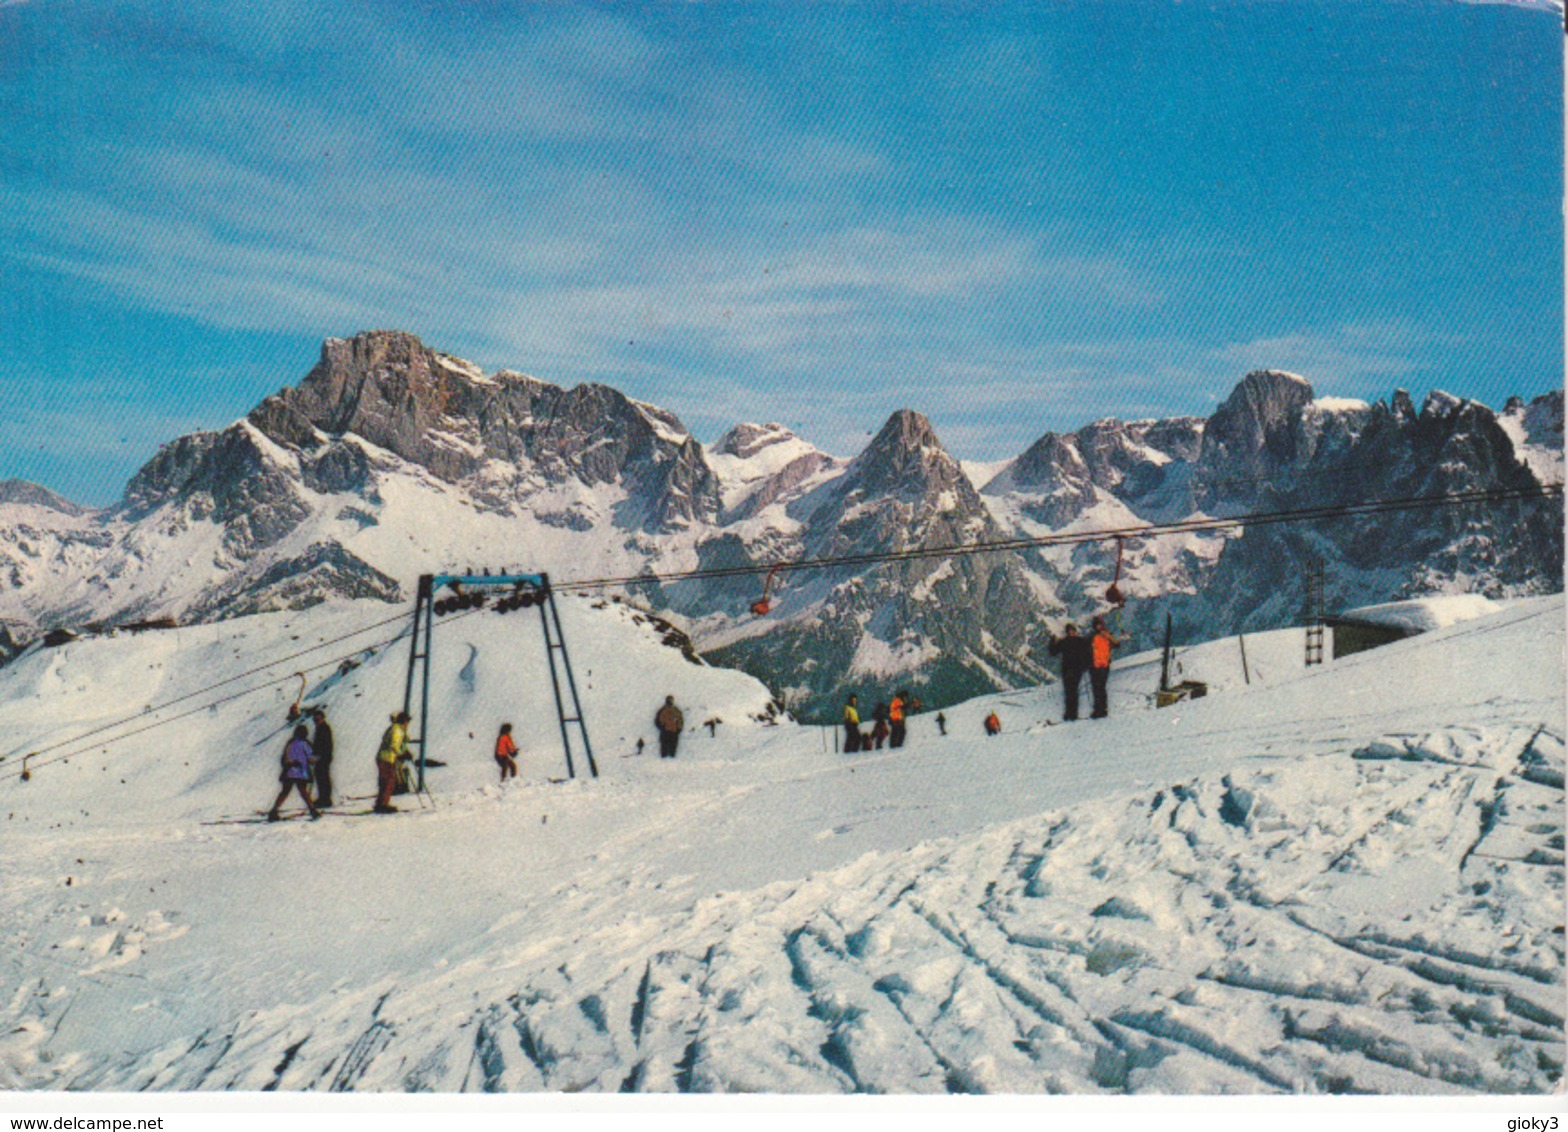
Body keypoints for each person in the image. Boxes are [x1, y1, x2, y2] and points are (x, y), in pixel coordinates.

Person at [269, 724, 320, 822]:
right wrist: (318, 759)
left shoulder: (290, 743)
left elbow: (285, 756)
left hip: (289, 771)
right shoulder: (305, 744)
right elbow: (310, 758)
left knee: (284, 792)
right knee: (304, 792)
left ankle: (274, 810)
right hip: (301, 772)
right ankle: (312, 810)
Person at [1047, 623, 1094, 722]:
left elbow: (1053, 652)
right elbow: (1088, 652)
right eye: (1070, 631)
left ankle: (1071, 713)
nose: (1071, 632)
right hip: (1074, 668)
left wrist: (1052, 641)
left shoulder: (1065, 642)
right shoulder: (1079, 641)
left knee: (1071, 691)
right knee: (1071, 691)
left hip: (1070, 669)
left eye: (1072, 631)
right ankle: (1072, 713)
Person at [375, 711, 410, 813]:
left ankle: (381, 803)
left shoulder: (396, 729)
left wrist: (404, 752)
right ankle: (383, 804)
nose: (407, 724)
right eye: (407, 721)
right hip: (386, 758)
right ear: (403, 721)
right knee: (389, 781)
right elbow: (393, 746)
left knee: (387, 781)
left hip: (385, 757)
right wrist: (402, 754)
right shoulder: (397, 730)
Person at [1089, 616, 1120, 719]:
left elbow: (1117, 644)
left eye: (1100, 625)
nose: (1099, 627)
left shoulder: (1105, 635)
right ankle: (1099, 709)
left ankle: (1101, 710)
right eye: (1097, 625)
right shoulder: (1093, 636)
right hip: (1095, 665)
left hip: (1103, 665)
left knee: (1100, 687)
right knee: (1097, 688)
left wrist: (1108, 637)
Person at [310, 708, 335, 808]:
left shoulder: (324, 728)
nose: (316, 722)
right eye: (315, 720)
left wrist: (319, 755)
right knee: (320, 777)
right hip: (321, 756)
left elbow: (325, 744)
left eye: (318, 719)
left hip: (324, 756)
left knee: (323, 777)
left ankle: (325, 799)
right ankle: (323, 798)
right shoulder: (320, 728)